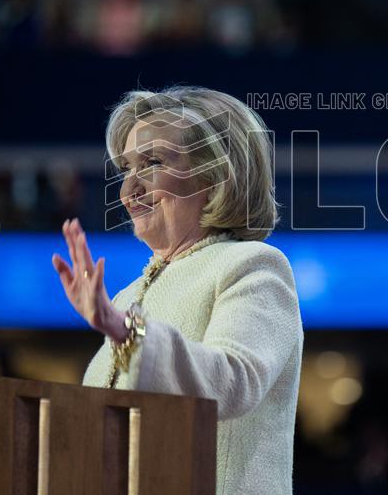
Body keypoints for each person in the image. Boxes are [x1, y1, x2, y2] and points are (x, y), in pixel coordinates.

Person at [52, 86, 303, 494]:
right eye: (126, 169)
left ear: (216, 175)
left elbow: (231, 382)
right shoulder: (126, 298)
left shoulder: (254, 267)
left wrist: (123, 331)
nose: (127, 190)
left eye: (151, 163)